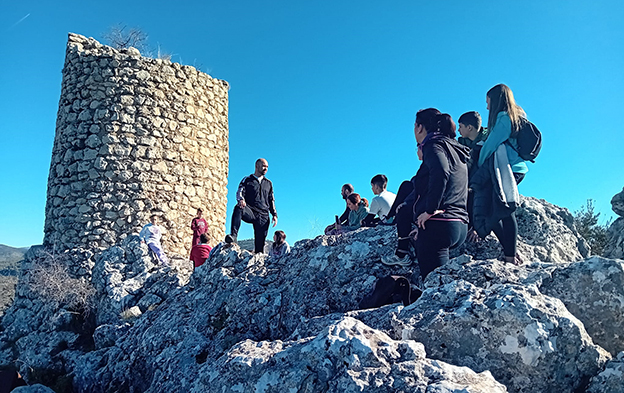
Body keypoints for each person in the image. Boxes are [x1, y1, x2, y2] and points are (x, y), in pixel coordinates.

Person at [386, 109, 470, 280]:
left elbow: (441, 172)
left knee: (434, 288)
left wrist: (431, 210)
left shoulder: (433, 144)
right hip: (459, 224)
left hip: (439, 225)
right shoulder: (454, 147)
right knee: (444, 288)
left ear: (419, 127)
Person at [473, 84, 527, 265]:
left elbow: (491, 145)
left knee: (504, 208)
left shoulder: (504, 117)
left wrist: (479, 164)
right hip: (510, 169)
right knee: (496, 208)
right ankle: (510, 252)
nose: (487, 107)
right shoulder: (516, 116)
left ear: (496, 100)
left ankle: (510, 256)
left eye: (488, 102)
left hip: (507, 170)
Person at [226, 158, 278, 253]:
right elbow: (240, 191)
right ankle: (233, 236)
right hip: (250, 211)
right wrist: (241, 199)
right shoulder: (247, 180)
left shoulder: (269, 183)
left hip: (263, 215)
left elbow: (271, 200)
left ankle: (259, 262)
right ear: (257, 166)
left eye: (267, 167)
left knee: (260, 245)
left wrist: (274, 214)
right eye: (263, 166)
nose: (265, 169)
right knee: (238, 208)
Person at [457, 111, 488, 242]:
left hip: (484, 180)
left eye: (460, 126)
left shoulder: (488, 141)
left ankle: (476, 227)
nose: (458, 130)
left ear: (469, 128)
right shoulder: (460, 143)